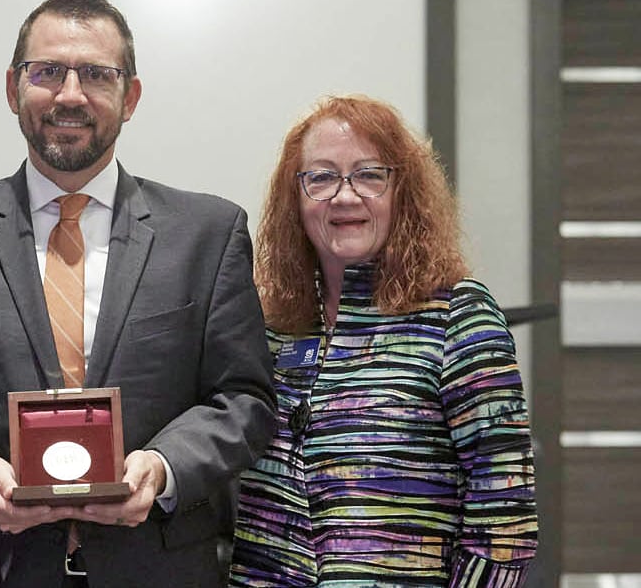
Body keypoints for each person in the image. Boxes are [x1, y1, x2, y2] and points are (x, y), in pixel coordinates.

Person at [0, 0, 277, 588]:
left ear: (132, 96)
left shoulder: (207, 233)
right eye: (47, 72)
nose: (70, 94)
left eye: (96, 73)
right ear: (13, 87)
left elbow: (245, 401)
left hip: (160, 567)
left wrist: (164, 466)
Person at [229, 95, 538, 586]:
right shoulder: (272, 326)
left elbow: (506, 523)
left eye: (370, 175)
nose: (345, 196)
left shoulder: (459, 314)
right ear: (296, 197)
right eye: (322, 176)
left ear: (402, 192)